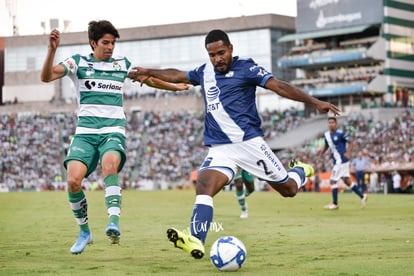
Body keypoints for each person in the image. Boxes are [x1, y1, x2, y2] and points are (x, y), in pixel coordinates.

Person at [128, 29, 340, 259]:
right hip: (220, 148)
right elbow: (178, 75)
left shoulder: (247, 68)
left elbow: (278, 86)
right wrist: (149, 71)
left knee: (288, 190)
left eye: (221, 53)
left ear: (230, 49)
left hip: (249, 144)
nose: (217, 59)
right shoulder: (204, 72)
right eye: (212, 55)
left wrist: (314, 101)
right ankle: (196, 241)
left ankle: (301, 169)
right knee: (204, 185)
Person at [40, 20, 188, 254]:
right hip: (85, 133)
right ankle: (85, 232)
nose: (110, 47)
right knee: (72, 181)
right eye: (106, 43)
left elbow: (148, 78)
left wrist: (176, 87)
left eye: (113, 43)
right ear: (93, 43)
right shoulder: (77, 62)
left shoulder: (121, 64)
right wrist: (52, 50)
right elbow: (47, 77)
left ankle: (113, 223)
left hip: (113, 129)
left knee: (110, 165)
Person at [319, 117, 368, 210]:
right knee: (347, 181)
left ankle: (335, 203)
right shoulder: (327, 135)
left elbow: (350, 142)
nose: (331, 124)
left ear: (336, 124)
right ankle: (362, 196)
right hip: (337, 161)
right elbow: (326, 145)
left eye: (333, 122)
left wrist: (348, 152)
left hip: (341, 161)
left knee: (333, 181)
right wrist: (322, 153)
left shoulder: (341, 133)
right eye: (329, 122)